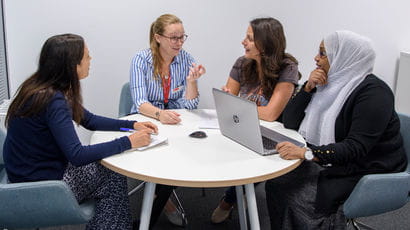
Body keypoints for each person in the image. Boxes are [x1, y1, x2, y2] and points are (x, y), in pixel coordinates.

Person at [2, 34, 172, 230]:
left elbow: (89, 120)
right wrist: (129, 142)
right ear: (73, 64)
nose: (90, 61)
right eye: (87, 57)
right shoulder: (53, 100)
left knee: (106, 169)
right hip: (42, 184)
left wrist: (132, 124)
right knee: (112, 174)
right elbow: (77, 155)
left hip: (23, 173)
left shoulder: (39, 87)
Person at [265, 30, 407, 229]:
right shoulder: (328, 84)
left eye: (323, 53)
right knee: (276, 183)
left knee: (297, 198)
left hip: (366, 167)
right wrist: (307, 88)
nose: (316, 58)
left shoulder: (375, 94)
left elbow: (355, 148)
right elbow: (289, 121)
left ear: (344, 57)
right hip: (333, 159)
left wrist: (307, 153)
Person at [211, 17, 300, 224]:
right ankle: (236, 195)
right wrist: (231, 101)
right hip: (242, 124)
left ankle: (229, 200)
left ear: (265, 43)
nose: (243, 42)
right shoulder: (242, 63)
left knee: (253, 157)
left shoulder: (288, 67)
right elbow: (228, 102)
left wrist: (237, 105)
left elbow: (271, 114)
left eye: (249, 38)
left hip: (273, 131)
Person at [129, 14, 205, 226]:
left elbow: (190, 105)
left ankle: (154, 201)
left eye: (182, 37)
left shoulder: (187, 59)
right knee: (162, 157)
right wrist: (160, 114)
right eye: (173, 37)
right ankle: (162, 204)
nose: (179, 42)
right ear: (158, 37)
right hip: (145, 120)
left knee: (187, 155)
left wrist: (191, 83)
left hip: (174, 122)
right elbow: (140, 102)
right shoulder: (141, 60)